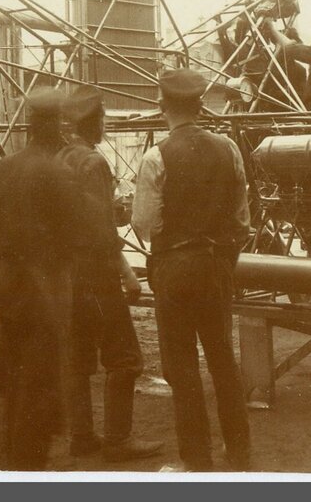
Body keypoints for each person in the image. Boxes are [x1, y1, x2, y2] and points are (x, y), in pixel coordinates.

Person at [132, 68, 252, 472]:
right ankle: (239, 452)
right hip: (218, 265)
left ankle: (197, 459)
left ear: (162, 107)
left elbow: (146, 223)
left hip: (175, 268)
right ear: (201, 106)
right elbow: (241, 217)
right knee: (222, 359)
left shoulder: (156, 155)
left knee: (181, 367)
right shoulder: (229, 148)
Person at [0, 89, 86, 470]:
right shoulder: (60, 172)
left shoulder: (4, 168)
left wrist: (0, 274)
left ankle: (11, 460)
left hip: (9, 289)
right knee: (39, 387)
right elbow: (77, 236)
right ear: (55, 126)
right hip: (46, 291)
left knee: (12, 379)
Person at [59, 85, 163, 463]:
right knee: (124, 359)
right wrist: (128, 275)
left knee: (78, 360)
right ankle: (118, 441)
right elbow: (101, 230)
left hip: (67, 277)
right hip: (97, 277)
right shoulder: (93, 163)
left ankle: (82, 437)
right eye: (102, 118)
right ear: (95, 122)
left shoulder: (62, 158)